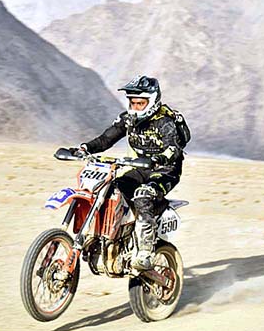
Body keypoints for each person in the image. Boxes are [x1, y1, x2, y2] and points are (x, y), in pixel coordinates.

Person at [77, 75, 188, 270]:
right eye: (132, 102)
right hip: (139, 167)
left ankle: (145, 250)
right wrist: (85, 148)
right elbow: (105, 139)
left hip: (165, 170)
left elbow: (174, 148)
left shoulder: (165, 121)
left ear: (152, 101)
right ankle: (107, 237)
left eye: (140, 103)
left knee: (143, 195)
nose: (135, 107)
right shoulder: (127, 120)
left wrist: (158, 158)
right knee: (110, 188)